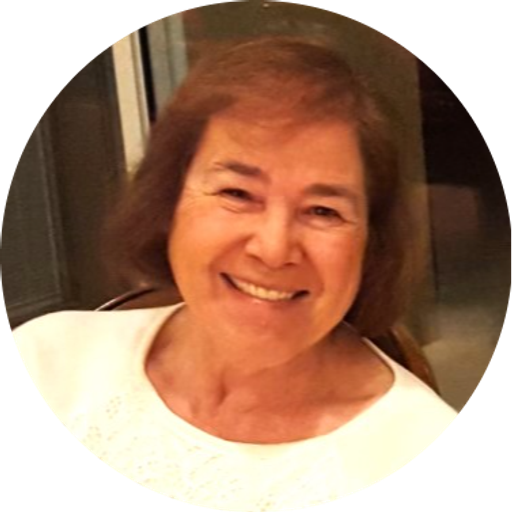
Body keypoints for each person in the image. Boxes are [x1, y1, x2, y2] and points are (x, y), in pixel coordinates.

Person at [12, 35, 458, 510]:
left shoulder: (413, 443)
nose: (273, 249)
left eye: (323, 211)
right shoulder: (48, 362)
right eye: (237, 194)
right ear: (168, 201)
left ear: (372, 243)